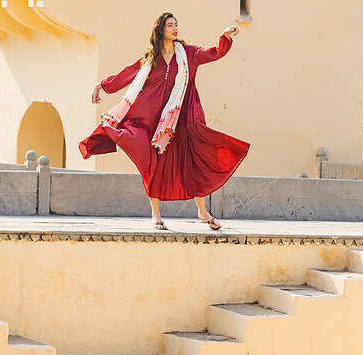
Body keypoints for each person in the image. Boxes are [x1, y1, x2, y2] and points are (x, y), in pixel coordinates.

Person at [79, 12, 249, 230]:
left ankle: (202, 212)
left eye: (176, 24)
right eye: (170, 25)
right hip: (152, 118)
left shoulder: (188, 53)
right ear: (161, 29)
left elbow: (214, 53)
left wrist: (225, 37)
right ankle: (156, 215)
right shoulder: (151, 58)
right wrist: (102, 85)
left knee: (192, 160)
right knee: (153, 163)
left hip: (184, 115)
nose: (175, 28)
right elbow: (128, 74)